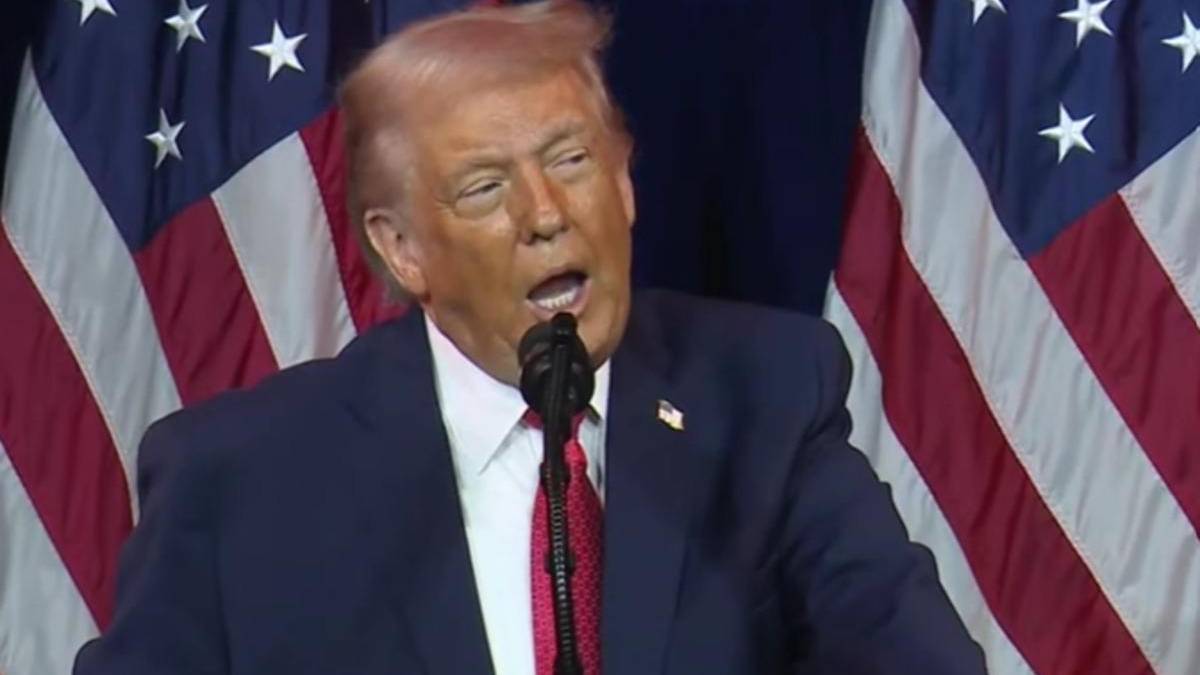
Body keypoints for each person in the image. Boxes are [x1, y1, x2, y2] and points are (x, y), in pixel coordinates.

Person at [74, 2, 986, 673]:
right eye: (483, 189)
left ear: (625, 185)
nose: (545, 215)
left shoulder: (767, 398)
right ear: (402, 250)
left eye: (571, 161)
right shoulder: (243, 479)